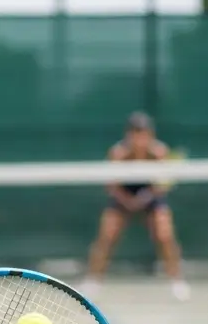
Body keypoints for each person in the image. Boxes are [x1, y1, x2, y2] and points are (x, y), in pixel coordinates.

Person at [81, 111, 190, 301]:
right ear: (128, 135)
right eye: (135, 133)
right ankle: (93, 281)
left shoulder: (159, 153)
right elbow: (111, 186)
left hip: (150, 197)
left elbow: (162, 185)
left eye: (143, 133)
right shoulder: (118, 154)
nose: (139, 138)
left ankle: (177, 281)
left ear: (150, 134)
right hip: (123, 196)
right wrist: (128, 201)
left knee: (165, 234)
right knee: (106, 235)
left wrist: (145, 198)